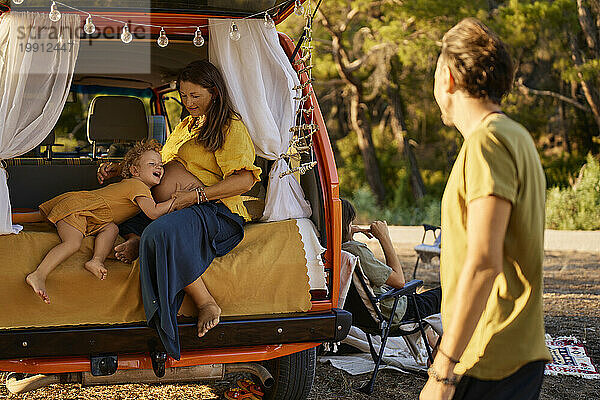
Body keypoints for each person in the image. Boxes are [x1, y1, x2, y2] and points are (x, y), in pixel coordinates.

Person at [420, 18, 551, 400]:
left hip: (489, 358)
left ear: (447, 77)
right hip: (515, 352)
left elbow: (483, 261)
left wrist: (442, 370)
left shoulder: (486, 143)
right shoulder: (517, 136)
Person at [96, 60, 262, 360]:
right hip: (175, 208)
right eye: (183, 96)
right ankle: (141, 238)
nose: (187, 103)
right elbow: (160, 163)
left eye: (195, 96)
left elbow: (245, 180)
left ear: (214, 92)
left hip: (216, 212)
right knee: (114, 219)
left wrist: (196, 197)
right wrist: (121, 168)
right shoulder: (186, 126)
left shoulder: (229, 126)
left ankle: (206, 301)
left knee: (161, 232)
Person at [22, 140, 174, 304]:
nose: (159, 167)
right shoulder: (138, 186)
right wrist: (178, 200)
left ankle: (96, 260)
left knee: (111, 229)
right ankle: (39, 274)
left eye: (161, 164)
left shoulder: (139, 187)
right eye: (152, 164)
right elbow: (154, 212)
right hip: (79, 209)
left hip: (95, 218)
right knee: (72, 243)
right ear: (135, 170)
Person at [341, 198, 442, 335]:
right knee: (450, 293)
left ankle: (434, 343)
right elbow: (399, 282)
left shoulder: (335, 252)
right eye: (351, 222)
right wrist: (384, 237)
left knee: (424, 297)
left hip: (364, 318)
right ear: (345, 224)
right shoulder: (355, 251)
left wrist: (349, 231)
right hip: (395, 313)